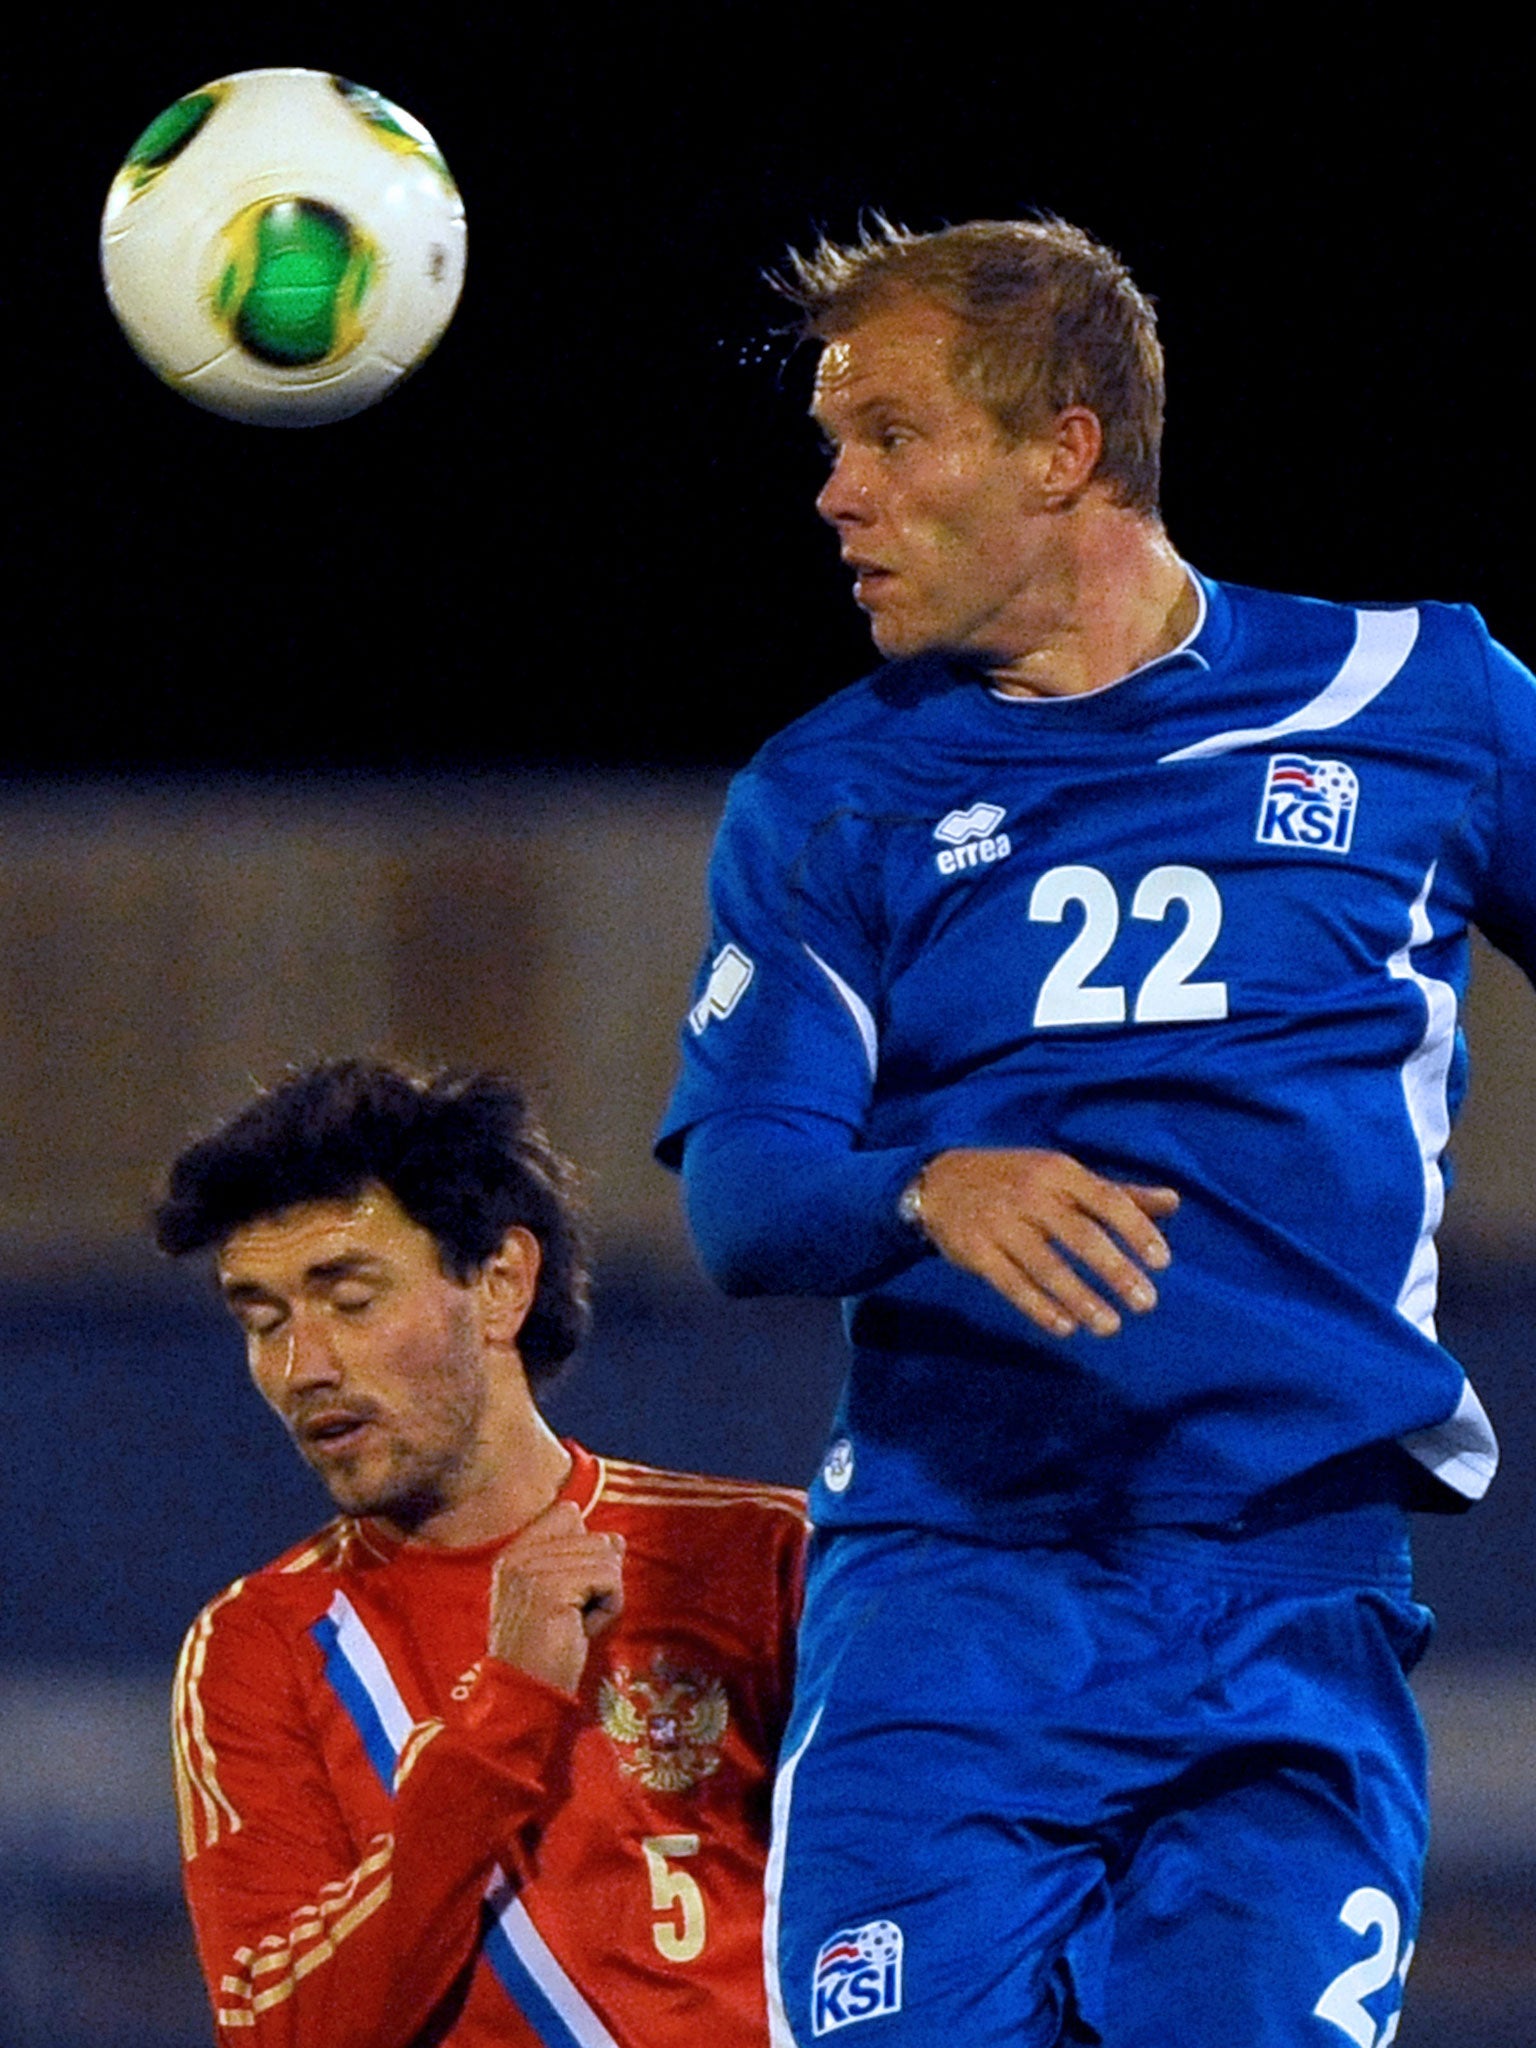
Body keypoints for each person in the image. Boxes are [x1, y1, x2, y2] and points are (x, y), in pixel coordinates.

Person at [656, 216, 1536, 2047]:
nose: (837, 492)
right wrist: (923, 1183)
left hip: (1290, 1593)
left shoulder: (1421, 704)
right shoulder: (834, 793)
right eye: (834, 443)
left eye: (888, 436)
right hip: (954, 1597)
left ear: (1064, 450)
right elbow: (743, 1191)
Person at [155, 1057, 806, 2048]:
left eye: (351, 1298)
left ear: (501, 1282)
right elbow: (289, 2033)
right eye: (264, 1319)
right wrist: (509, 1710)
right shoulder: (260, 1646)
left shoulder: (765, 1556)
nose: (303, 1366)